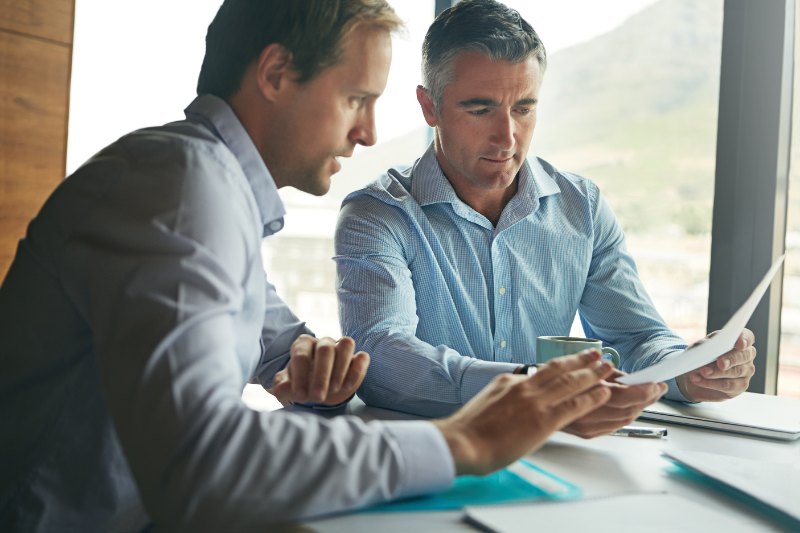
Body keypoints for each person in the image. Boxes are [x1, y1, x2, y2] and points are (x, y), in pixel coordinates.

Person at [0, 1, 620, 531]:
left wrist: (317, 364)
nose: (369, 133)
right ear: (275, 74)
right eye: (356, 99)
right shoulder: (183, 190)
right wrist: (462, 440)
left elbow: (282, 345)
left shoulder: (204, 185)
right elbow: (201, 463)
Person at [335, 0, 757, 429]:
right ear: (430, 107)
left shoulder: (582, 207)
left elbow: (635, 338)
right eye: (480, 110)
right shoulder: (377, 215)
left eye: (523, 108)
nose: (507, 137)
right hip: (431, 455)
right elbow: (381, 356)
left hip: (560, 451)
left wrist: (687, 370)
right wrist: (530, 389)